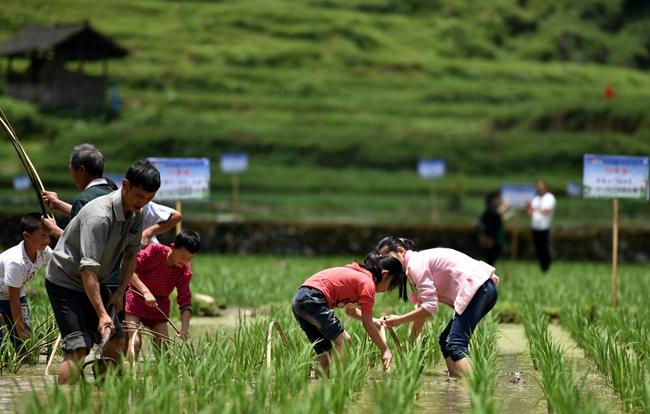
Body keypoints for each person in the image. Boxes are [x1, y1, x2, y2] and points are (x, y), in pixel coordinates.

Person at [45, 160, 160, 384]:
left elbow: (130, 256)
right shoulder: (100, 216)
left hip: (96, 280)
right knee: (79, 346)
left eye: (149, 198)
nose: (143, 203)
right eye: (139, 196)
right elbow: (87, 268)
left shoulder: (136, 214)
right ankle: (63, 403)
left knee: (116, 339)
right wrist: (101, 313)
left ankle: (105, 396)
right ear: (125, 185)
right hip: (66, 281)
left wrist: (119, 293)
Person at [377, 236, 499, 378]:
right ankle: (455, 381)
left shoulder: (415, 264)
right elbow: (423, 309)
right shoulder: (414, 267)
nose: (386, 264)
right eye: (382, 260)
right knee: (445, 340)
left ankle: (475, 387)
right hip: (483, 289)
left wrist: (400, 320)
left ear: (400, 251)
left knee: (455, 344)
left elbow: (430, 308)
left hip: (478, 289)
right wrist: (410, 343)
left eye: (387, 257)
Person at [291, 253, 408, 375]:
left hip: (299, 299)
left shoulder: (358, 275)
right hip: (314, 298)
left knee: (325, 351)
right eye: (392, 284)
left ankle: (320, 385)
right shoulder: (367, 284)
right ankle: (341, 382)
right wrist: (385, 350)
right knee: (345, 340)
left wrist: (374, 320)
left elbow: (350, 311)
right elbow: (366, 323)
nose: (388, 290)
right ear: (385, 274)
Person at [124, 230, 200, 361]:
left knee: (163, 344)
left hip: (159, 305)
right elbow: (129, 270)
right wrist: (145, 292)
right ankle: (130, 376)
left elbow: (185, 300)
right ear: (172, 247)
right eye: (182, 257)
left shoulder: (184, 271)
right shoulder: (155, 251)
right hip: (136, 297)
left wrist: (184, 328)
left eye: (189, 259)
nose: (184, 261)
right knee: (135, 341)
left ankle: (164, 375)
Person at [0, 213, 54, 351]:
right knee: (5, 343)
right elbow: (13, 300)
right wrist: (20, 331)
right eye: (43, 236)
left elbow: (62, 262)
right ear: (26, 236)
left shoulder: (44, 251)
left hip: (16, 294)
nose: (47, 240)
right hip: (9, 296)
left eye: (49, 235)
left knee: (24, 342)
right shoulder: (16, 262)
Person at [42, 144, 118, 239]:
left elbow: (77, 245)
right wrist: (57, 204)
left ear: (82, 170)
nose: (71, 175)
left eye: (72, 170)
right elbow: (90, 214)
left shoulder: (83, 200)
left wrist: (54, 229)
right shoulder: (115, 194)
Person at [526, 180, 556, 272]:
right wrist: (528, 207)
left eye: (541, 187)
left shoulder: (549, 197)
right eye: (538, 188)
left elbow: (546, 210)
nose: (539, 189)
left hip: (544, 227)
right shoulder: (536, 198)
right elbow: (530, 212)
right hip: (535, 227)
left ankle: (546, 266)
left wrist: (534, 208)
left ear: (545, 188)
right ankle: (542, 267)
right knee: (538, 248)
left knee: (544, 248)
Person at [477, 191, 509, 266]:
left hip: (496, 237)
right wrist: (505, 205)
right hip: (490, 238)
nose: (498, 200)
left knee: (494, 255)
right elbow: (498, 213)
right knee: (490, 257)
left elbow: (501, 217)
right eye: (497, 198)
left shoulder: (493, 209)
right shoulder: (490, 209)